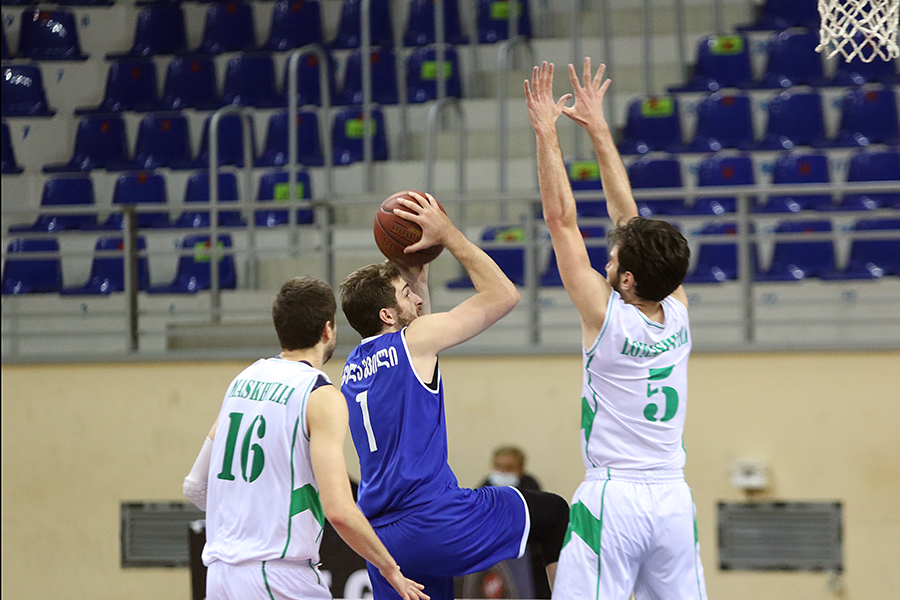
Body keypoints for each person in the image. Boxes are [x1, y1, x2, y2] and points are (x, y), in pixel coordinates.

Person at [524, 59, 708, 599]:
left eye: (613, 257)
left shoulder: (605, 318)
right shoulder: (678, 308)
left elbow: (561, 221)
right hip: (673, 501)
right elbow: (628, 218)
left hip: (615, 498)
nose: (607, 256)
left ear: (626, 279)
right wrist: (600, 131)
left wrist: (546, 132)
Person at [339, 192, 570, 600]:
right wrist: (449, 235)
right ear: (387, 315)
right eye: (405, 294)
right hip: (434, 520)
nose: (415, 298)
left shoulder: (353, 368)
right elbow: (504, 295)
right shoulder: (413, 342)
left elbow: (419, 336)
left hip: (383, 539)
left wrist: (416, 276)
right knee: (554, 514)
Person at [182, 276, 429, 600]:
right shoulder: (320, 394)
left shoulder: (242, 381)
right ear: (328, 330)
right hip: (276, 575)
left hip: (219, 576)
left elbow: (195, 485)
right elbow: (338, 510)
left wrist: (244, 525)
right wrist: (390, 568)